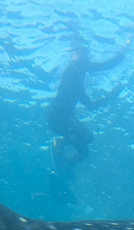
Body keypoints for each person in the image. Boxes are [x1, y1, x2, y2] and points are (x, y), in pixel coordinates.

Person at [47, 29, 129, 166]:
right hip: (61, 116)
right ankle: (60, 143)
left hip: (56, 118)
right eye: (86, 53)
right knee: (87, 137)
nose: (88, 57)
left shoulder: (75, 78)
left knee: (84, 152)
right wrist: (125, 48)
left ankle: (64, 162)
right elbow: (105, 65)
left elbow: (90, 105)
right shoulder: (77, 66)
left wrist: (110, 96)